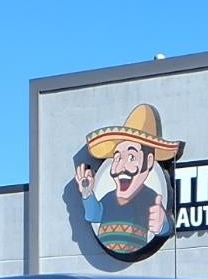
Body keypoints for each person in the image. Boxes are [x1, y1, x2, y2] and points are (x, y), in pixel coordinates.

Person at [74, 104, 182, 257]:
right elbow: (93, 215)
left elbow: (166, 225)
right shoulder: (109, 198)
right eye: (117, 157)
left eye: (131, 157)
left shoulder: (151, 198)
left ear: (149, 161)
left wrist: (162, 225)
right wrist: (87, 192)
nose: (120, 167)